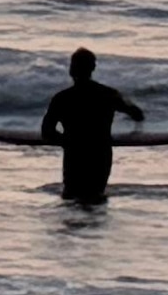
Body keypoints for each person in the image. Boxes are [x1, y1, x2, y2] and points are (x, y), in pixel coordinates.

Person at [41, 47, 147, 207]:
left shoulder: (62, 98)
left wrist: (68, 142)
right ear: (93, 68)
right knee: (96, 198)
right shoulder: (108, 94)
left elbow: (47, 132)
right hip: (100, 153)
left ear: (71, 70)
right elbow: (137, 114)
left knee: (71, 198)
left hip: (74, 155)